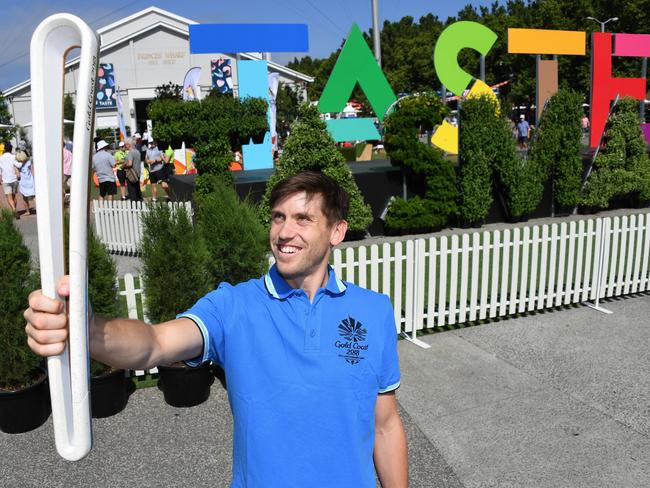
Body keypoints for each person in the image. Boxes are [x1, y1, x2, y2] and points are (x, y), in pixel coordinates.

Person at [24, 171, 408, 487]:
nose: (284, 232)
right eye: (278, 217)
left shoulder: (373, 311)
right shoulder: (234, 306)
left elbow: (386, 424)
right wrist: (88, 330)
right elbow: (154, 344)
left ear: (337, 231)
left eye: (303, 219)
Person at [0, 142, 22, 218]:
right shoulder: (13, 157)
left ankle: (14, 210)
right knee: (14, 196)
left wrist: (0, 178)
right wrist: (22, 161)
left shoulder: (1, 158)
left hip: (6, 180)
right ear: (11, 149)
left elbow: (0, 170)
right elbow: (19, 165)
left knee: (9, 198)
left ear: (5, 149)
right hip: (14, 179)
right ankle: (14, 211)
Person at [123, 137, 143, 201]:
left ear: (129, 144)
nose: (125, 146)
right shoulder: (137, 151)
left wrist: (124, 165)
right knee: (137, 191)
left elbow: (130, 164)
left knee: (132, 192)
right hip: (137, 173)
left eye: (126, 144)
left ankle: (134, 208)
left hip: (131, 175)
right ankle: (140, 204)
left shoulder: (130, 153)